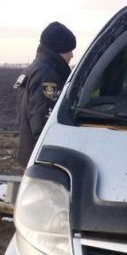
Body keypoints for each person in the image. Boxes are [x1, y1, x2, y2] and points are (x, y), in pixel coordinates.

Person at [16, 21, 76, 166]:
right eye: (68, 50)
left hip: (32, 151)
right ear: (58, 50)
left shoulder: (35, 68)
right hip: (43, 157)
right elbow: (43, 119)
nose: (72, 55)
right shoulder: (47, 74)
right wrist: (49, 159)